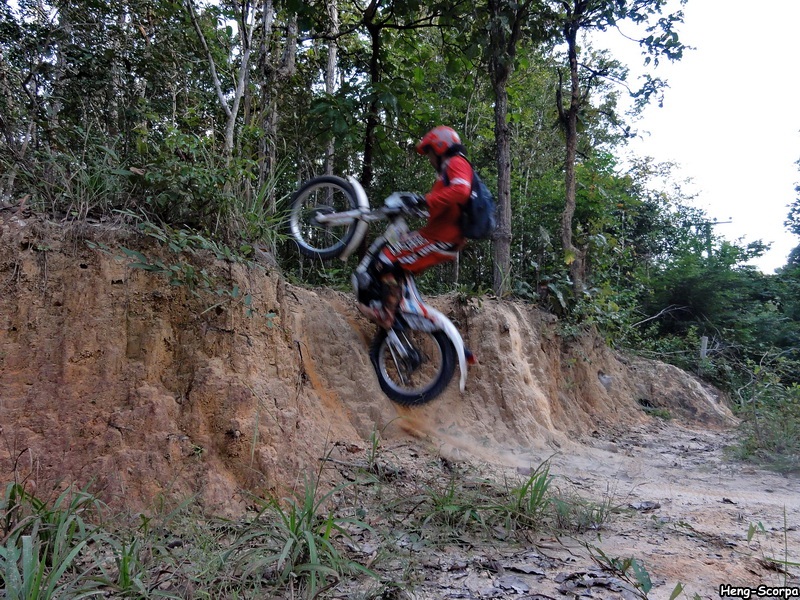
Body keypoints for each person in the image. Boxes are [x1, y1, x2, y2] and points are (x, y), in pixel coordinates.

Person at [356, 125, 473, 330]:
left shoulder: (456, 162)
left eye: (429, 153)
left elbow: (461, 190)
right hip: (439, 235)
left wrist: (424, 200)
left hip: (441, 237)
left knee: (387, 258)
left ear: (440, 147)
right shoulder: (449, 170)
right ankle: (395, 308)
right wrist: (418, 205)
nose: (429, 159)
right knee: (398, 256)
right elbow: (446, 204)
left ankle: (386, 314)